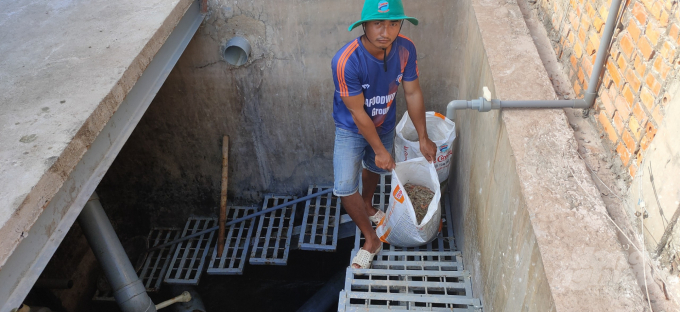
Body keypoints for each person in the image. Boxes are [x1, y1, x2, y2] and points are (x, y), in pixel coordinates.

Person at [331, 0, 437, 269]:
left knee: (373, 169)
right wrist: (380, 149)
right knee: (344, 187)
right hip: (352, 128)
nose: (385, 32)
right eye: (378, 23)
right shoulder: (346, 61)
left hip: (385, 122)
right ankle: (371, 239)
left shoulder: (405, 49)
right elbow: (357, 113)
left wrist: (423, 137)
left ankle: (368, 205)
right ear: (364, 25)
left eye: (393, 23)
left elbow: (412, 92)